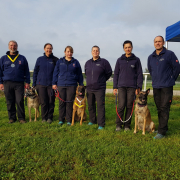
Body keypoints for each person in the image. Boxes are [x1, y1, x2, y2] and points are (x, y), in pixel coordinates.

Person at [148, 36, 180, 139]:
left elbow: (177, 68)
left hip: (167, 86)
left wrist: (171, 80)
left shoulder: (169, 54)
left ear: (163, 43)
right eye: (156, 42)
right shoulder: (151, 57)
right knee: (159, 108)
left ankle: (161, 132)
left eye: (159, 41)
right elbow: (151, 70)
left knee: (165, 107)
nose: (158, 43)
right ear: (154, 44)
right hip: (156, 86)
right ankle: (163, 127)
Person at [113, 40, 143, 131]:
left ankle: (127, 126)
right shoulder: (119, 60)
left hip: (132, 87)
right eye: (126, 47)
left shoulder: (136, 60)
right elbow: (116, 74)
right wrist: (115, 87)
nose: (127, 49)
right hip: (121, 86)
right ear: (123, 49)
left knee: (129, 105)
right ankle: (118, 125)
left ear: (132, 48)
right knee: (121, 105)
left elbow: (139, 74)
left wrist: (139, 87)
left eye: (129, 47)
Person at [0, 40, 30, 123]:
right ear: (8, 46)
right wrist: (0, 83)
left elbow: (26, 71)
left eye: (14, 45)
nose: (13, 47)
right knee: (9, 101)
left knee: (19, 100)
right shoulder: (3, 58)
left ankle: (21, 118)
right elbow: (0, 71)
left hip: (19, 83)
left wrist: (27, 82)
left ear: (17, 47)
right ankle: (12, 118)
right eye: (11, 45)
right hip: (7, 82)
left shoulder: (22, 58)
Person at [52, 46, 83, 125]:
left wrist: (81, 84)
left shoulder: (75, 62)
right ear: (65, 52)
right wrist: (54, 83)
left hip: (72, 85)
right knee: (61, 103)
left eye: (71, 52)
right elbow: (55, 73)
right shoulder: (60, 61)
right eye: (68, 51)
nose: (69, 53)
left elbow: (79, 74)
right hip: (61, 84)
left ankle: (69, 120)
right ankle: (61, 119)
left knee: (69, 103)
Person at [85, 45, 112, 130]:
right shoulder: (87, 63)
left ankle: (101, 124)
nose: (95, 52)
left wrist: (102, 80)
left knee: (100, 106)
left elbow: (109, 72)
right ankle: (92, 121)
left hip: (99, 88)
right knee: (90, 105)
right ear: (91, 52)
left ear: (99, 52)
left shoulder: (104, 62)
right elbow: (86, 73)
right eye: (93, 50)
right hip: (89, 88)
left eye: (97, 50)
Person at [33, 43, 59, 124]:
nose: (49, 50)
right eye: (47, 48)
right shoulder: (39, 59)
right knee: (43, 102)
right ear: (44, 49)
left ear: (52, 50)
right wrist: (34, 84)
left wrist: (56, 83)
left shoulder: (55, 60)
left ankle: (49, 117)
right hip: (41, 84)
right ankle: (44, 117)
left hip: (51, 85)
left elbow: (58, 72)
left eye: (50, 48)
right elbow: (35, 72)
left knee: (51, 102)